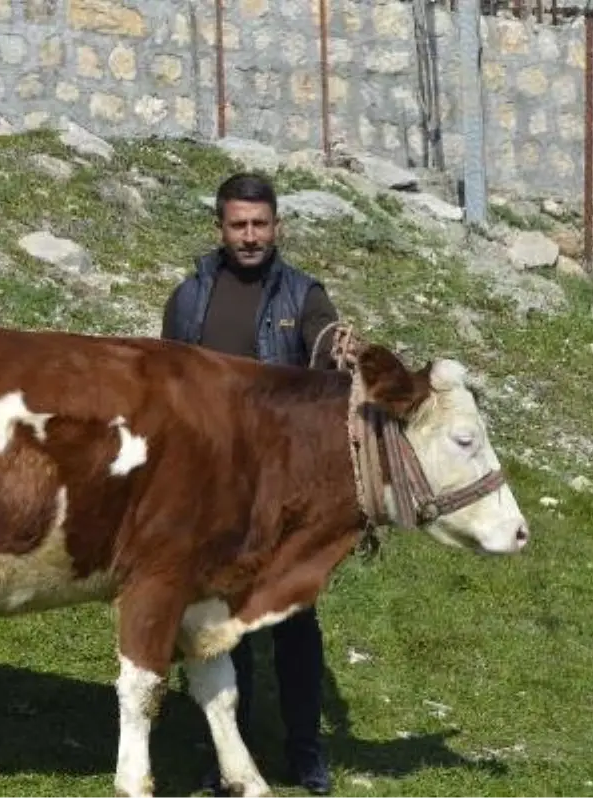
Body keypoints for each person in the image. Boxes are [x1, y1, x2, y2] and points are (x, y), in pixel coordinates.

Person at [161, 171, 338, 796]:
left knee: (294, 623)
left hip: (286, 490)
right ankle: (226, 754)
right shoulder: (189, 300)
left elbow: (326, 362)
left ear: (278, 226)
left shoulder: (305, 296)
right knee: (218, 623)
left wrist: (338, 349)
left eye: (260, 224)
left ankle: (305, 750)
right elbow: (167, 391)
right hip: (214, 488)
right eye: (238, 225)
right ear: (220, 228)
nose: (250, 236)